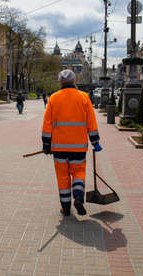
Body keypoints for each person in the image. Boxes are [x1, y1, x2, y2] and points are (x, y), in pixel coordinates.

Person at [41, 69, 102, 217]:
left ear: (60, 82)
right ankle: (79, 198)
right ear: (74, 81)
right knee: (78, 172)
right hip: (79, 147)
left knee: (63, 177)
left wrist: (46, 145)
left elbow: (47, 125)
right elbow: (91, 122)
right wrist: (95, 141)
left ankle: (66, 208)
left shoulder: (54, 98)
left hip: (59, 147)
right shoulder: (84, 97)